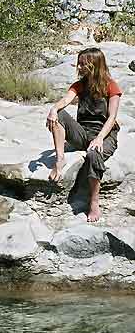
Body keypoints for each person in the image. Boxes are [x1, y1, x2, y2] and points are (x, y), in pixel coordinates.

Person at [46, 48, 121, 222]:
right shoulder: (79, 85)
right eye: (78, 63)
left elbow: (112, 117)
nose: (78, 67)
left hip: (105, 133)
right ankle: (60, 159)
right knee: (59, 116)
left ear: (94, 65)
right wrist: (53, 109)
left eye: (82, 64)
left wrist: (100, 138)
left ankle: (94, 202)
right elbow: (65, 100)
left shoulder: (111, 86)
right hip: (83, 131)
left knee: (94, 155)